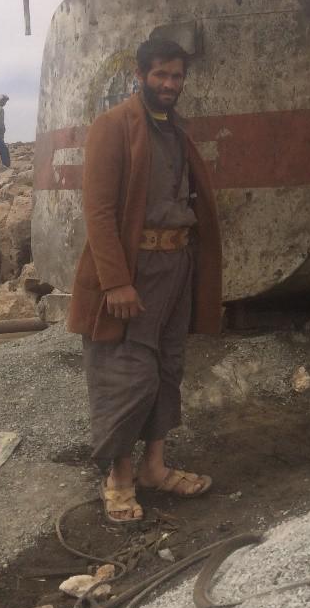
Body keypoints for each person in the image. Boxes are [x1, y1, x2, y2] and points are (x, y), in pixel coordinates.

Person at [67, 38, 223, 525]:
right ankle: (119, 478)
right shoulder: (113, 127)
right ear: (140, 74)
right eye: (161, 75)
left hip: (176, 266)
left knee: (167, 368)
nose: (170, 84)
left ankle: (155, 468)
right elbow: (99, 210)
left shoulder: (176, 130)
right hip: (133, 270)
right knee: (125, 371)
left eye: (177, 77)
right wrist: (115, 282)